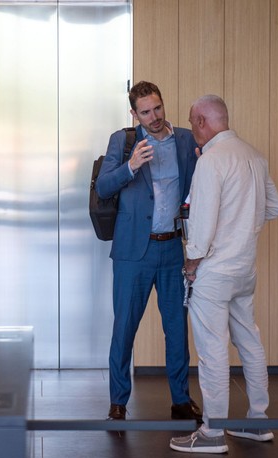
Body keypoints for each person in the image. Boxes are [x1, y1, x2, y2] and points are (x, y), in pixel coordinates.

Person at [169, 95, 278, 454]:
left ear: (203, 121)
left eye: (191, 122)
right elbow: (274, 207)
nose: (191, 129)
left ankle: (212, 433)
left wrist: (191, 262)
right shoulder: (254, 155)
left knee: (213, 350)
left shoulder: (212, 161)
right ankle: (257, 422)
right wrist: (240, 229)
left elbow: (200, 227)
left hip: (214, 273)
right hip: (244, 270)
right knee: (250, 340)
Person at [95, 81, 201, 422]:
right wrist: (131, 166)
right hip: (131, 253)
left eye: (157, 108)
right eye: (145, 112)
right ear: (134, 113)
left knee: (176, 328)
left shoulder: (184, 140)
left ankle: (181, 400)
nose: (153, 117)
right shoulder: (124, 141)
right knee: (124, 327)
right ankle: (118, 402)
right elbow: (104, 185)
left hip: (171, 248)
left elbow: (197, 188)